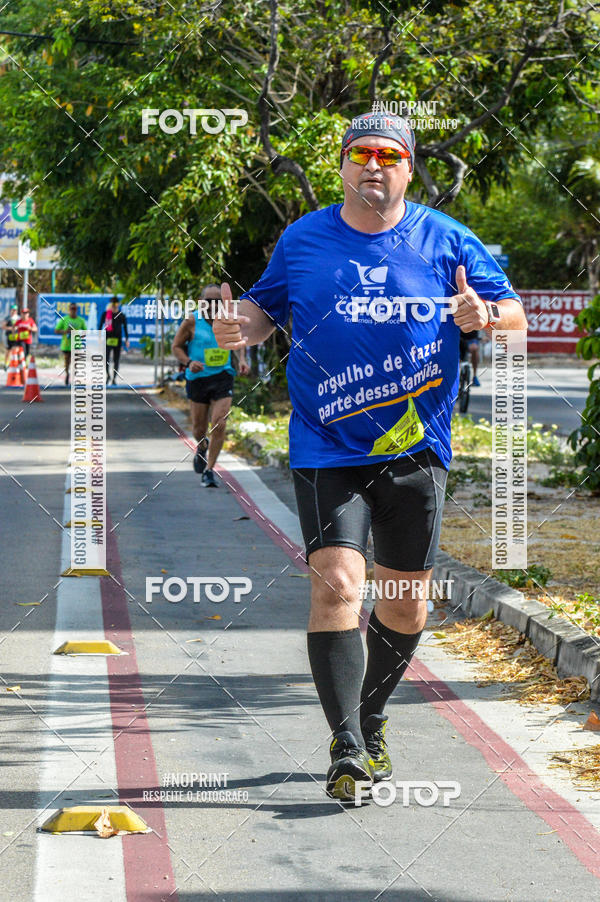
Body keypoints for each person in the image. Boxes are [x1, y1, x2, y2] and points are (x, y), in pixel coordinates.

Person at [213, 112, 527, 801]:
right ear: (344, 165)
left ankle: (374, 712)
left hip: (417, 448)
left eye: (390, 155)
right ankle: (348, 745)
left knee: (406, 605)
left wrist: (485, 318)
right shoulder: (304, 239)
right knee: (337, 586)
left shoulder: (449, 240)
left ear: (409, 168)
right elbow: (264, 312)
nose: (374, 166)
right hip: (326, 443)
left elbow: (514, 320)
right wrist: (240, 327)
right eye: (361, 154)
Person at [172, 284, 250, 487]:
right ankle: (201, 446)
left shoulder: (227, 319)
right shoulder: (192, 321)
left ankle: (209, 470)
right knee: (199, 429)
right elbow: (176, 346)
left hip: (223, 376)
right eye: (210, 301)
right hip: (197, 378)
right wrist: (189, 362)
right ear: (201, 302)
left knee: (219, 423)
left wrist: (241, 360)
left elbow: (239, 340)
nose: (214, 305)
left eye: (218, 301)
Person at [54, 302, 87, 386]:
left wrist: (79, 333)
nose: (73, 311)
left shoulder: (81, 320)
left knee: (76, 362)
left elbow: (85, 332)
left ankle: (74, 377)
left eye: (75, 309)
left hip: (76, 345)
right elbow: (56, 330)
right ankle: (67, 374)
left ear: (77, 310)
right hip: (66, 345)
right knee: (67, 362)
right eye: (71, 309)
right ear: (69, 310)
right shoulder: (64, 319)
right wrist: (65, 331)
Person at [99, 296, 129, 384]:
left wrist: (127, 339)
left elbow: (125, 327)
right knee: (106, 359)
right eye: (112, 304)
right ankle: (108, 375)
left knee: (116, 359)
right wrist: (99, 337)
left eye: (115, 304)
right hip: (107, 339)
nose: (114, 306)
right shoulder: (106, 314)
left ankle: (114, 378)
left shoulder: (121, 315)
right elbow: (100, 325)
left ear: (118, 304)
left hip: (117, 339)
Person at [3, 304, 20, 369]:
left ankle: (15, 363)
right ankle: (6, 364)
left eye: (15, 310)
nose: (14, 311)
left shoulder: (19, 318)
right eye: (13, 310)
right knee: (8, 350)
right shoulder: (8, 318)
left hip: (16, 336)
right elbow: (3, 326)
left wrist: (17, 328)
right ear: (11, 310)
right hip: (9, 337)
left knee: (16, 350)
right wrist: (10, 328)